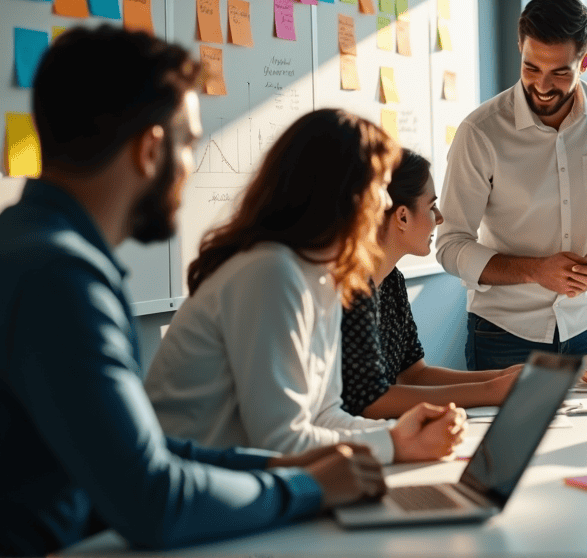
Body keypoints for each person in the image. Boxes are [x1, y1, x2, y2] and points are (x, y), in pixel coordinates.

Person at [0, 27, 385, 554]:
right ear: (151, 149)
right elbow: (153, 500)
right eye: (190, 143)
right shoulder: (61, 277)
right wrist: (305, 486)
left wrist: (278, 464)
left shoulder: (30, 244)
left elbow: (143, 450)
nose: (192, 165)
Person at [146, 109, 465, 465]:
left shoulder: (324, 278)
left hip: (243, 480)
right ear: (343, 194)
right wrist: (394, 446)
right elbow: (281, 440)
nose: (387, 202)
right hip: (193, 487)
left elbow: (324, 416)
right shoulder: (271, 272)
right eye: (379, 187)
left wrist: (396, 436)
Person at [436, 0, 587, 383]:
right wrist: (537, 271)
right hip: (502, 333)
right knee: (509, 444)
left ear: (584, 62)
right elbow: (451, 245)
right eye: (531, 67)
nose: (541, 85)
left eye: (560, 73)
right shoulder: (480, 132)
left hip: (583, 326)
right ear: (520, 47)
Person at [341, 150, 523, 418]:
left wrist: (502, 376)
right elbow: (370, 401)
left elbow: (414, 374)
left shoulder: (391, 281)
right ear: (402, 217)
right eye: (431, 207)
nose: (439, 218)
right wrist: (491, 391)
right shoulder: (351, 288)